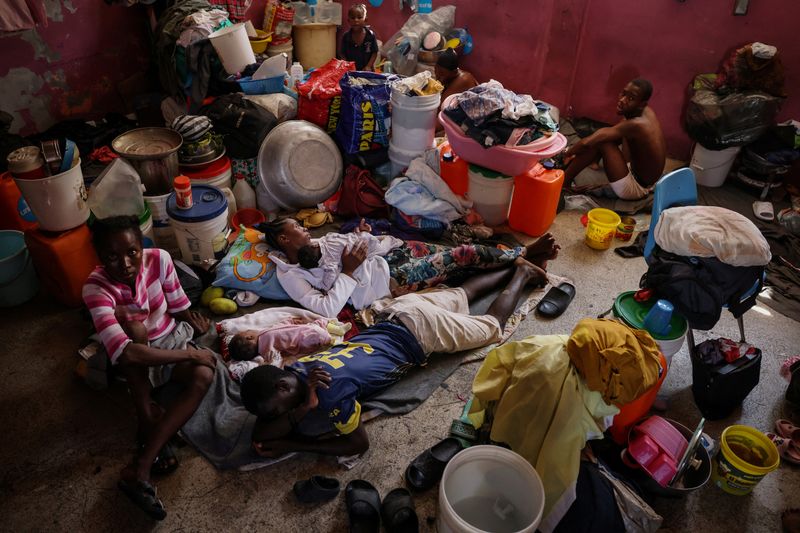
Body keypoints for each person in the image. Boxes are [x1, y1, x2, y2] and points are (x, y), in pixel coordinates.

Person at [240, 257, 548, 458]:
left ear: (282, 388)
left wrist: (293, 441)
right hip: (398, 313)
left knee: (491, 328)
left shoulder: (330, 395)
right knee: (462, 295)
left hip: (421, 334)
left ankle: (522, 271)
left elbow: (358, 445)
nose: (284, 415)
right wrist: (300, 410)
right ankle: (515, 263)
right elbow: (262, 433)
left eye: (282, 411)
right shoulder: (297, 368)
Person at [82, 215, 216, 521]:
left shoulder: (160, 259)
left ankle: (143, 457)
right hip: (131, 355)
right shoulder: (95, 288)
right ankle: (145, 417)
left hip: (168, 337)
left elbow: (179, 307)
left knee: (205, 374)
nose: (126, 264)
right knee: (136, 331)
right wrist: (189, 356)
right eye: (112, 257)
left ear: (141, 246)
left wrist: (193, 324)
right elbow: (128, 354)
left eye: (132, 252)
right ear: (100, 257)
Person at [259, 217, 560, 317]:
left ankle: (520, 261)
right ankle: (526, 252)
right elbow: (325, 309)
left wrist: (364, 236)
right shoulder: (290, 276)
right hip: (391, 281)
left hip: (393, 253)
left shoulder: (321, 242)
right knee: (463, 255)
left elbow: (356, 243)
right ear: (285, 239)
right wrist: (349, 272)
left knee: (455, 257)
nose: (305, 229)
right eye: (298, 227)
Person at [562, 78, 666, 200]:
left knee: (601, 142)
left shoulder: (638, 125)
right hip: (639, 172)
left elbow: (586, 143)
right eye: (623, 93)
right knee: (608, 134)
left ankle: (564, 183)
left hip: (637, 187)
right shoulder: (645, 112)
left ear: (642, 104)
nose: (622, 100)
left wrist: (567, 152)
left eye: (631, 98)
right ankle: (594, 160)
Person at [228, 318, 338, 381]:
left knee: (315, 328)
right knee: (316, 329)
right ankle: (331, 337)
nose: (251, 329)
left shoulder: (265, 352)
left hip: (301, 336)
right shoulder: (265, 337)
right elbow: (279, 326)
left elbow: (279, 327)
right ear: (249, 337)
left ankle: (333, 332)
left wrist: (290, 321)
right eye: (248, 330)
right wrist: (291, 321)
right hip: (304, 336)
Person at [338, 3, 378, 71]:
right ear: (349, 21)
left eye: (359, 17)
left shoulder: (370, 36)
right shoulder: (346, 37)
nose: (356, 20)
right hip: (351, 71)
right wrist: (346, 65)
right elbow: (342, 53)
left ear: (365, 20)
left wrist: (368, 66)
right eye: (353, 18)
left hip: (366, 71)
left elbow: (374, 52)